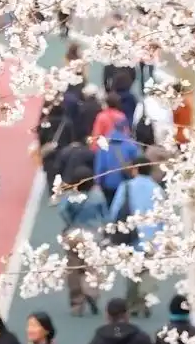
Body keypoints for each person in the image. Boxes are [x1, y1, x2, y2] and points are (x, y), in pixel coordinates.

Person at [108, 161, 162, 317]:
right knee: (148, 272)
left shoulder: (125, 187)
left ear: (135, 169)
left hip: (131, 236)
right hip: (152, 238)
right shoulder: (157, 189)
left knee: (131, 272)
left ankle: (132, 303)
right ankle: (145, 299)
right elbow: (164, 217)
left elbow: (115, 211)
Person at [57, 172, 106, 316]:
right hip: (93, 235)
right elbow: (106, 215)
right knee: (92, 267)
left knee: (73, 267)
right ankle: (91, 292)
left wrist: (69, 223)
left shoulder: (70, 196)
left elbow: (62, 211)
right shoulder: (97, 196)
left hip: (74, 233)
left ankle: (76, 300)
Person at [92, 117, 141, 206]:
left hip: (108, 184)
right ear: (125, 128)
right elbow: (139, 162)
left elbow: (100, 166)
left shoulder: (104, 144)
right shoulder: (131, 144)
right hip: (126, 183)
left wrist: (98, 182)